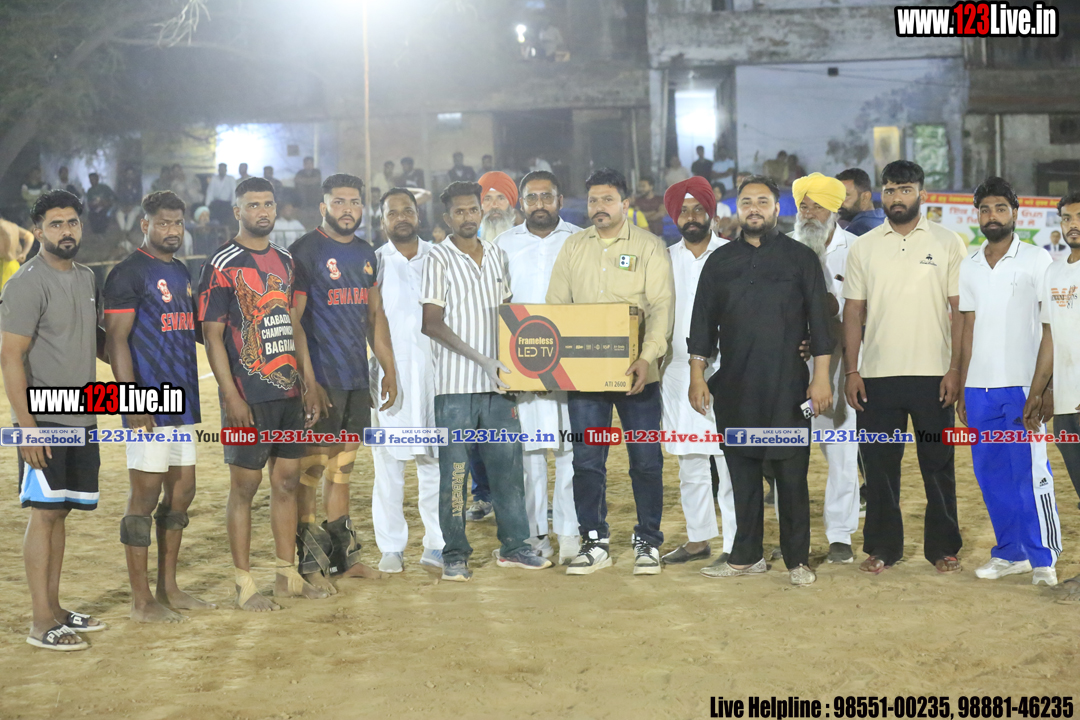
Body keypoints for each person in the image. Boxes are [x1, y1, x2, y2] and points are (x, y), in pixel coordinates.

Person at [687, 175, 834, 586]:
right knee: (743, 475)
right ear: (737, 209)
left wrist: (821, 378)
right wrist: (698, 375)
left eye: (763, 201)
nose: (754, 208)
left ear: (776, 209)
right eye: (747, 202)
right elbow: (702, 323)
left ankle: (797, 560)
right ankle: (746, 556)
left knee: (791, 476)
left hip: (788, 388)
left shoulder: (801, 258)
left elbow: (820, 325)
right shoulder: (720, 262)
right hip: (735, 388)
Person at [197, 177, 327, 610]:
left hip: (288, 392)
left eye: (268, 204)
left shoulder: (287, 261)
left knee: (286, 482)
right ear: (237, 211)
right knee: (245, 487)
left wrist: (308, 381)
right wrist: (231, 396)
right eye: (253, 205)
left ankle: (286, 576)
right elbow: (212, 336)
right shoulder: (221, 263)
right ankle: (244, 584)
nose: (263, 211)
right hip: (246, 395)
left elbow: (294, 324)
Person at [421, 181, 552, 581]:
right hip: (454, 388)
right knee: (455, 476)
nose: (467, 217)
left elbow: (507, 315)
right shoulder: (438, 258)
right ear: (448, 218)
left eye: (472, 210)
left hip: (499, 385)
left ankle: (514, 546)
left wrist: (516, 366)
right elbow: (431, 323)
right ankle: (454, 553)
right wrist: (483, 360)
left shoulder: (496, 254)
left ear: (481, 212)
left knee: (508, 471)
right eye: (459, 211)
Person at [546, 168, 674, 576]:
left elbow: (661, 308)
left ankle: (648, 542)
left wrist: (647, 358)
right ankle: (594, 541)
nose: (599, 207)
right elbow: (556, 309)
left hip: (639, 375)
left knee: (646, 461)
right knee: (587, 461)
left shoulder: (650, 246)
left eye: (607, 200)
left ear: (625, 204)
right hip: (586, 378)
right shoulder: (573, 247)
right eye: (593, 200)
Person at [842, 160, 967, 575]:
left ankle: (944, 547)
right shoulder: (864, 247)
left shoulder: (948, 242)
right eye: (891, 190)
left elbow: (959, 312)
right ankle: (883, 548)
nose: (897, 197)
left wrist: (955, 371)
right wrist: (852, 371)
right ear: (882, 194)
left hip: (934, 376)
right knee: (878, 467)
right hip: (876, 378)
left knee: (938, 465)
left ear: (922, 194)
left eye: (906, 189)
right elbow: (853, 312)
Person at [103, 190, 215, 622]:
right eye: (163, 223)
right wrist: (131, 400)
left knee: (183, 491)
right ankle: (141, 600)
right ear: (145, 224)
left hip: (181, 400)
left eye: (177, 223)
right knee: (144, 496)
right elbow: (116, 340)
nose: (172, 231)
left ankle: (169, 588)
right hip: (148, 402)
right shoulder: (128, 272)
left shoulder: (181, 271)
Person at [1, 190, 107, 650]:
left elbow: (92, 339)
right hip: (43, 420)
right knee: (44, 514)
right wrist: (26, 427)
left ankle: (56, 609)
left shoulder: (86, 277)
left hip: (82, 417)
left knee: (60, 511)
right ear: (38, 230)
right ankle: (40, 622)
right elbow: (10, 357)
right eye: (56, 224)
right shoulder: (25, 283)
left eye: (72, 222)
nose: (66, 231)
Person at [956, 177, 1059, 587]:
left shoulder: (1037, 259)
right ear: (977, 215)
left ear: (1015, 213)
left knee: (1031, 473)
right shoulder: (970, 264)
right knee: (991, 475)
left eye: (1000, 208)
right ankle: (1010, 553)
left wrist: (1046, 388)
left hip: (1022, 386)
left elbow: (1051, 328)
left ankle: (1043, 557)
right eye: (985, 209)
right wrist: (962, 385)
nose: (992, 216)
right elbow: (967, 328)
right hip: (979, 389)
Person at [288, 173, 391, 585]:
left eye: (354, 202)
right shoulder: (305, 251)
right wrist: (308, 382)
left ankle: (344, 561)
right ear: (323, 206)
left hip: (355, 380)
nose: (347, 209)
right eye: (339, 202)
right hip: (322, 380)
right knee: (312, 471)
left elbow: (373, 316)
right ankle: (310, 565)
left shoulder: (366, 253)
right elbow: (293, 322)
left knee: (342, 470)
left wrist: (388, 367)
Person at [494, 170, 582, 564]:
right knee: (529, 456)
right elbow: (496, 303)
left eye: (547, 196)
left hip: (572, 362)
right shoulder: (502, 244)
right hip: (522, 363)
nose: (540, 204)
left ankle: (570, 534)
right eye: (532, 197)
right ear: (522, 203)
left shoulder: (579, 240)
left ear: (560, 200)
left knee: (570, 452)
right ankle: (534, 537)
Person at [658, 177, 737, 567]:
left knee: (730, 460)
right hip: (676, 371)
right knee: (689, 460)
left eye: (698, 209)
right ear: (675, 217)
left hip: (728, 370)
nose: (691, 217)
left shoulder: (732, 255)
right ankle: (698, 538)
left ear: (711, 213)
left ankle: (737, 543)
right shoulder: (663, 260)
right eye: (684, 210)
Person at [370, 188, 445, 572]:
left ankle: (437, 542)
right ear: (382, 220)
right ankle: (391, 546)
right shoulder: (374, 263)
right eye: (392, 212)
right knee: (389, 466)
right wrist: (385, 370)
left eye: (407, 210)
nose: (401, 217)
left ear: (418, 214)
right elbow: (369, 321)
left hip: (436, 376)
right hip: (389, 376)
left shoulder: (441, 258)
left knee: (434, 463)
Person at [791, 172, 862, 564]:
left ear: (834, 210)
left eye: (818, 206)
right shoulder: (784, 248)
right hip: (790, 365)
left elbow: (861, 311)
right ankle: (793, 534)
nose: (809, 213)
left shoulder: (857, 250)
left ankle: (839, 535)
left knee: (842, 451)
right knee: (789, 450)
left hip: (839, 364)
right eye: (804, 205)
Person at [1025, 191, 1080, 600]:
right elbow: (1049, 337)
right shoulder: (1055, 272)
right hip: (1066, 403)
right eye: (1066, 218)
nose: (1073, 224)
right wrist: (1038, 391)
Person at [836, 168, 885, 236]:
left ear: (865, 197)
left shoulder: (858, 229)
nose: (838, 202)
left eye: (845, 196)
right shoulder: (884, 220)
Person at [478, 171, 519, 240]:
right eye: (487, 199)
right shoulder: (470, 238)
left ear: (510, 203)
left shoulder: (522, 239)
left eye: (501, 198)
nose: (494, 205)